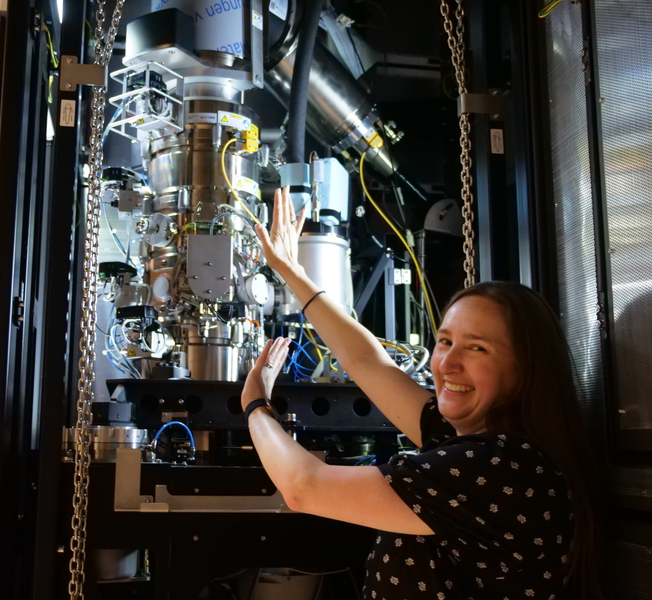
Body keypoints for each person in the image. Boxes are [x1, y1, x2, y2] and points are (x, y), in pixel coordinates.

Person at [240, 187, 603, 599]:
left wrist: (255, 407)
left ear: (525, 370)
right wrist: (293, 272)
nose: (448, 363)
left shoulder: (498, 466)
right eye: (445, 341)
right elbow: (368, 363)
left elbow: (303, 487)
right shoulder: (471, 443)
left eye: (477, 347)